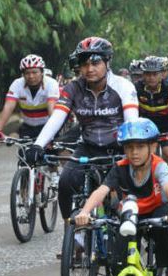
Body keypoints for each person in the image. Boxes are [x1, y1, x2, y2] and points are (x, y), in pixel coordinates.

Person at [24, 36, 139, 220]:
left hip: (118, 147)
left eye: (95, 62)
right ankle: (72, 236)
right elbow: (57, 118)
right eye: (84, 63)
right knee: (65, 183)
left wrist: (132, 150)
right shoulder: (73, 88)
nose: (89, 68)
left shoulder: (123, 86)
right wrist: (38, 145)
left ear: (107, 62)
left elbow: (132, 122)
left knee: (127, 198)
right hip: (88, 146)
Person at [73, 118, 168, 276]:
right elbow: (100, 192)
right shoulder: (120, 167)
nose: (134, 153)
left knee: (166, 226)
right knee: (118, 260)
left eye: (140, 147)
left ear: (153, 147)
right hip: (131, 214)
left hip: (156, 211)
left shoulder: (159, 165)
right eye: (129, 147)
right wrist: (85, 212)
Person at [135, 56, 168, 183]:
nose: (151, 78)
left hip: (166, 124)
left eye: (155, 74)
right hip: (145, 125)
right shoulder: (137, 88)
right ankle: (150, 187)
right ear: (143, 75)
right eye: (147, 74)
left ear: (162, 75)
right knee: (150, 155)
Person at [0, 54, 59, 139]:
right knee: (23, 151)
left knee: (54, 151)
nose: (31, 76)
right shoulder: (17, 84)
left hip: (47, 126)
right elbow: (9, 106)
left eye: (34, 72)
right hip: (27, 127)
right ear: (23, 74)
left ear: (42, 72)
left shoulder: (51, 83)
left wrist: (53, 133)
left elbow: (52, 107)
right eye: (27, 73)